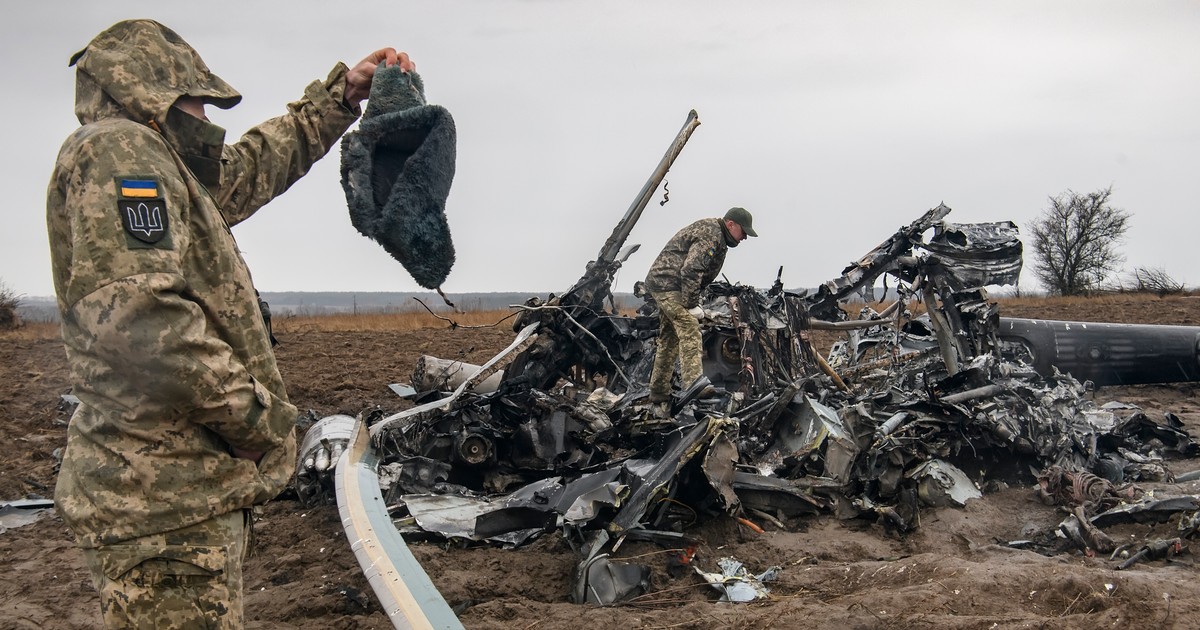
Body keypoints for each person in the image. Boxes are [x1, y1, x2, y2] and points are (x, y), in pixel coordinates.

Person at [45, 19, 414, 628]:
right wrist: (255, 420)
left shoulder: (156, 159)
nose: (203, 113)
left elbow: (243, 172)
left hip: (175, 497)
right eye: (194, 98)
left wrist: (340, 98)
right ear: (151, 94)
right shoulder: (119, 151)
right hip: (165, 503)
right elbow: (141, 319)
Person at [643, 207, 757, 415]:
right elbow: (691, 269)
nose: (744, 238)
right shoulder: (712, 234)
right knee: (688, 326)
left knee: (669, 339)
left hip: (667, 283)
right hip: (667, 284)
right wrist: (690, 304)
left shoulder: (719, 237)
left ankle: (659, 393)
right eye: (744, 232)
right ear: (730, 224)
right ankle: (695, 384)